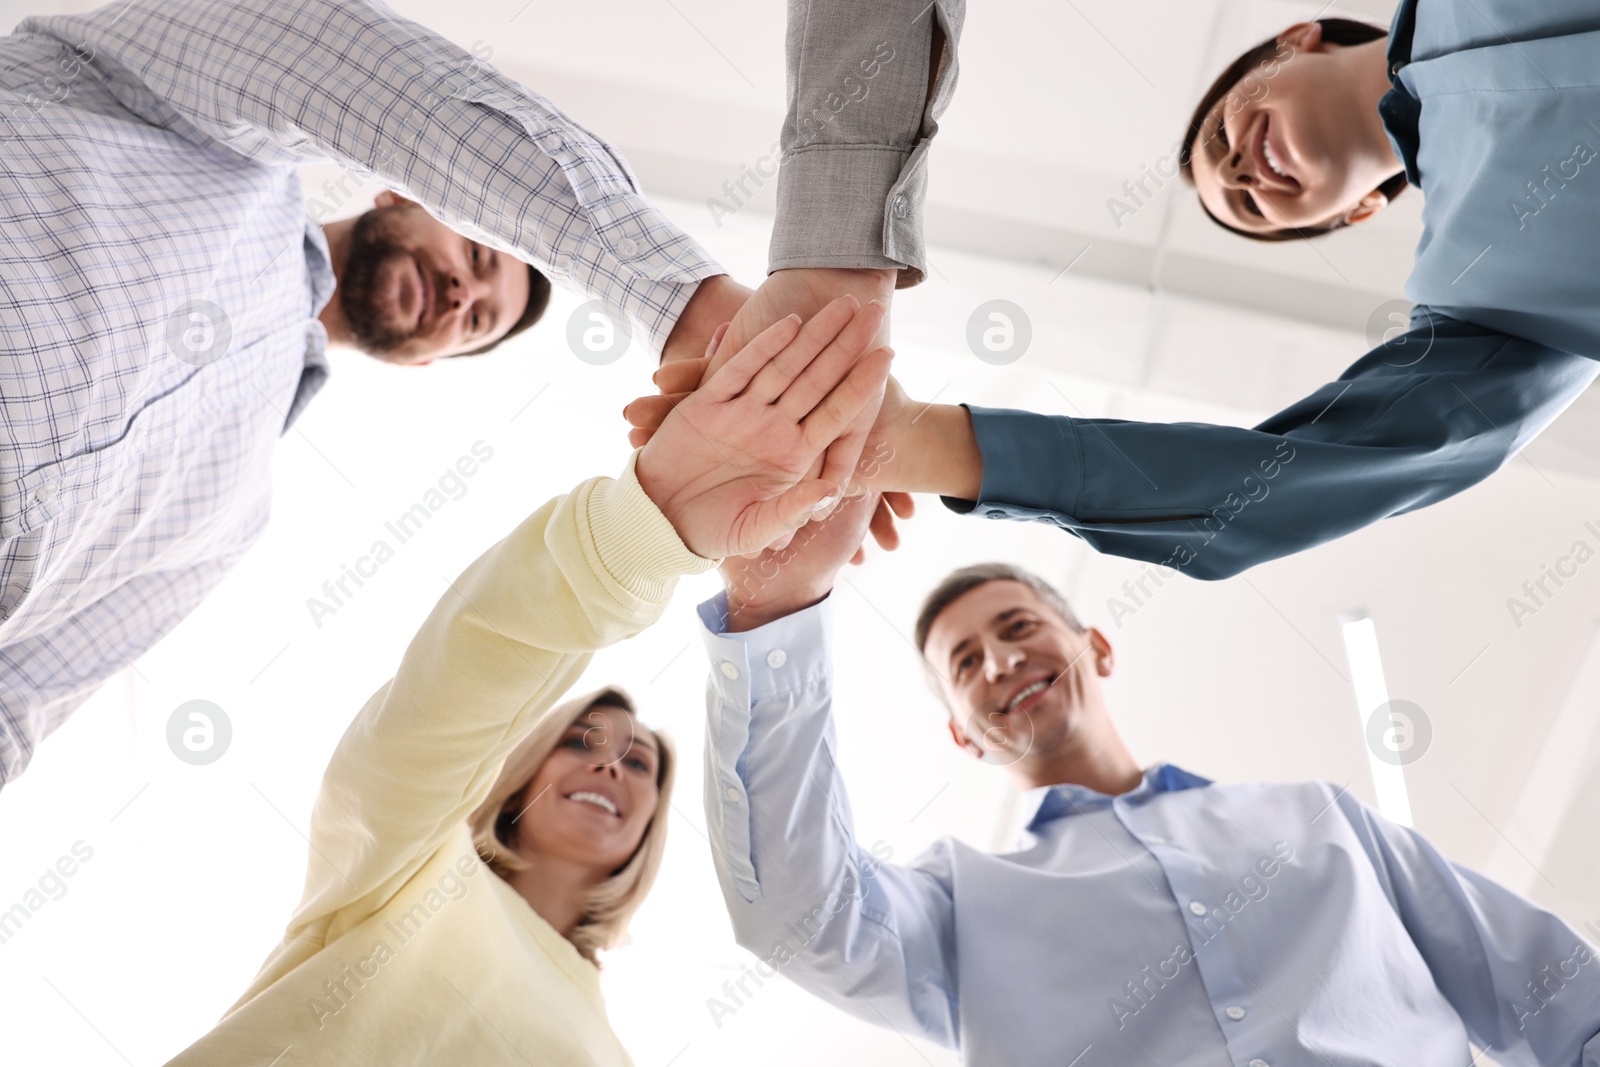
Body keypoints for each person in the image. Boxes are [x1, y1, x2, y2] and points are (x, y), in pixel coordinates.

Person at [0, 0, 754, 784]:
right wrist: (675, 298)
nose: (464, 295)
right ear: (404, 191)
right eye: (474, 249)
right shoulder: (221, 134)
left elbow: (23, 698)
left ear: (424, 363)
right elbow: (351, 66)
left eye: (477, 321)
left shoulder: (234, 517)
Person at [161, 296, 893, 1065]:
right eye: (582, 743)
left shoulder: (608, 1051)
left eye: (638, 762)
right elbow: (449, 692)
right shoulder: (405, 866)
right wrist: (650, 523)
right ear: (521, 772)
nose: (611, 763)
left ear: (649, 828)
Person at [638, 0, 1600, 581]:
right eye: (1248, 204)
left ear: (1291, 42)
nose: (1242, 171)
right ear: (1352, 217)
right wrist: (906, 444)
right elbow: (1270, 490)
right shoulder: (1489, 310)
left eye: (1222, 135)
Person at [694, 496, 1600, 1065]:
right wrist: (775, 612)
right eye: (965, 662)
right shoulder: (957, 902)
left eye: (1016, 626)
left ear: (1097, 644)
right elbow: (796, 919)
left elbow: (1548, 988)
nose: (1001, 660)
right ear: (962, 736)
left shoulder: (1318, 813)